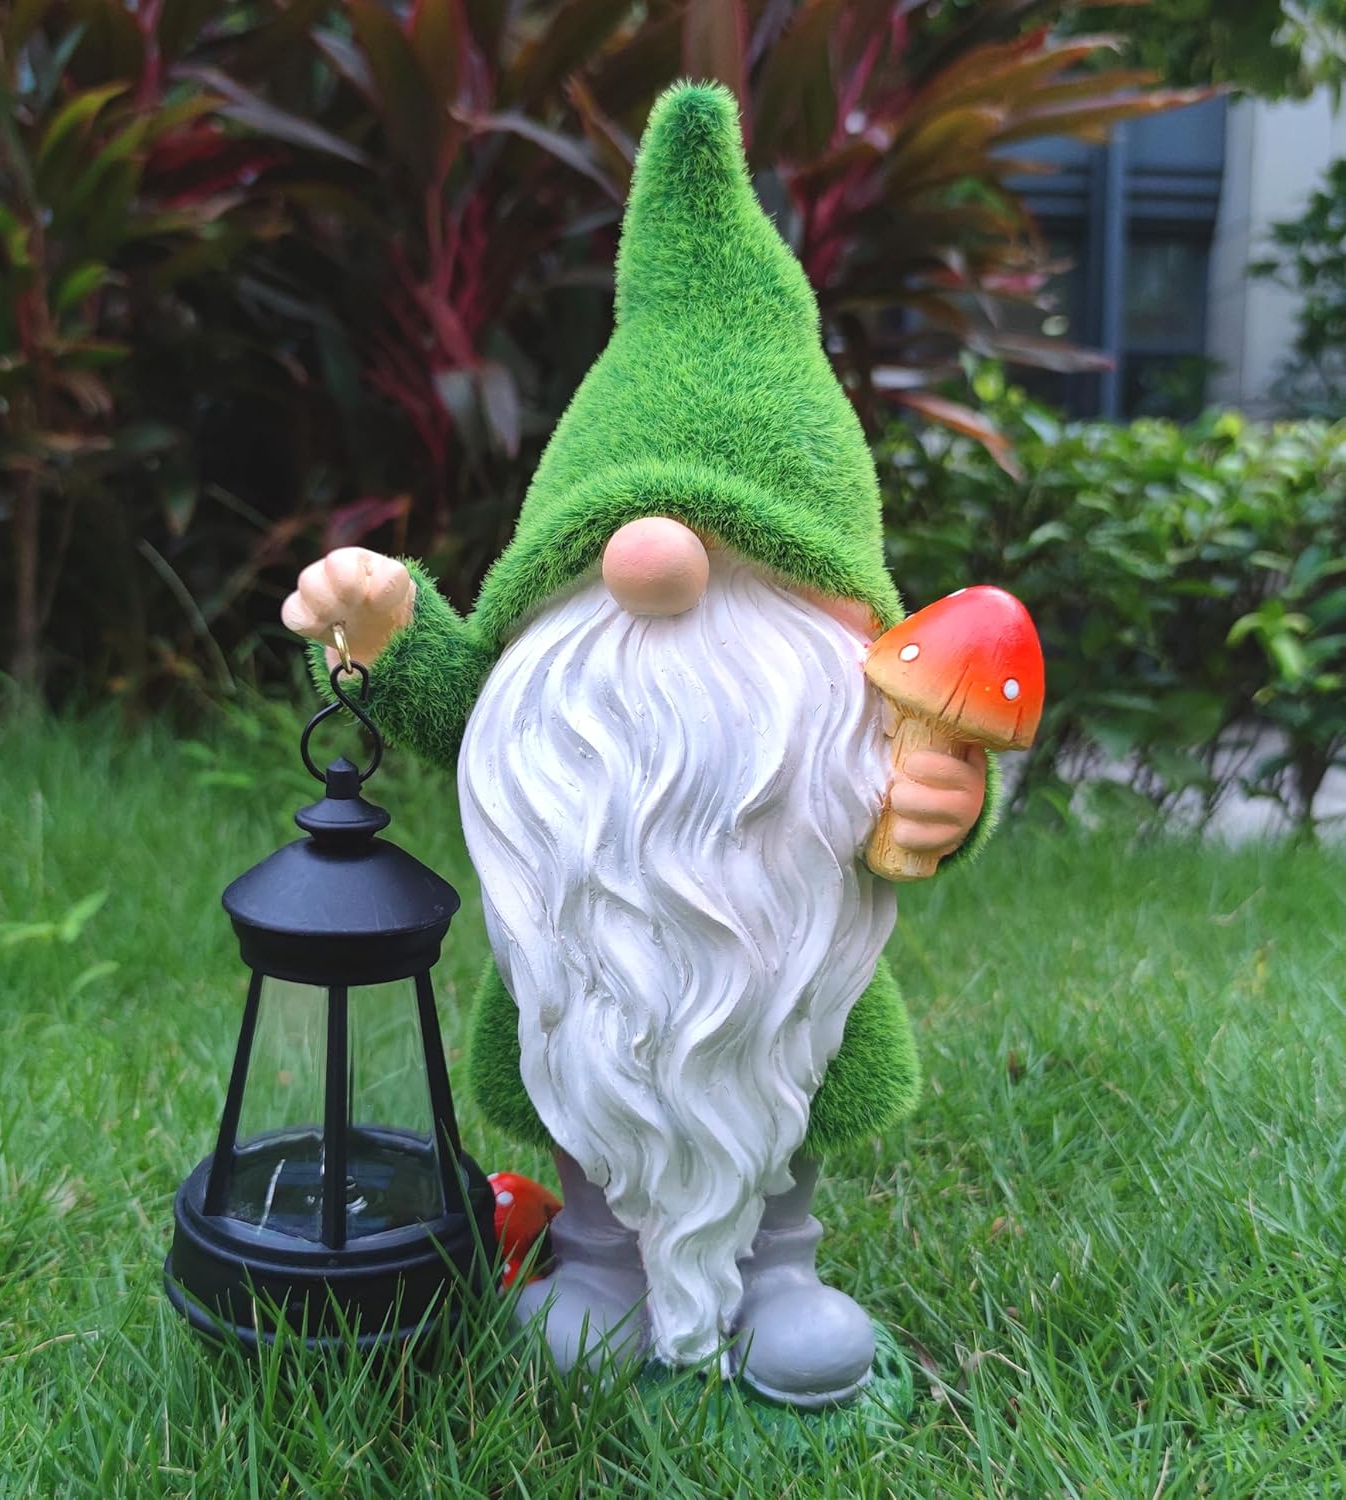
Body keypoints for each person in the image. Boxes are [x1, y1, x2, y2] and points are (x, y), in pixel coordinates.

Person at [283, 83, 991, 1409]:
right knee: (593, 1076)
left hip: (789, 1017)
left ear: (838, 611)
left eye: (736, 562)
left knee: (781, 1083)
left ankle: (776, 1269)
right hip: (583, 1002)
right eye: (601, 554)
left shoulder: (854, 730)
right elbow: (460, 698)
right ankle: (605, 1262)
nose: (655, 571)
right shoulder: (543, 704)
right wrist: (382, 633)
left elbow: (918, 796)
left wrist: (947, 797)